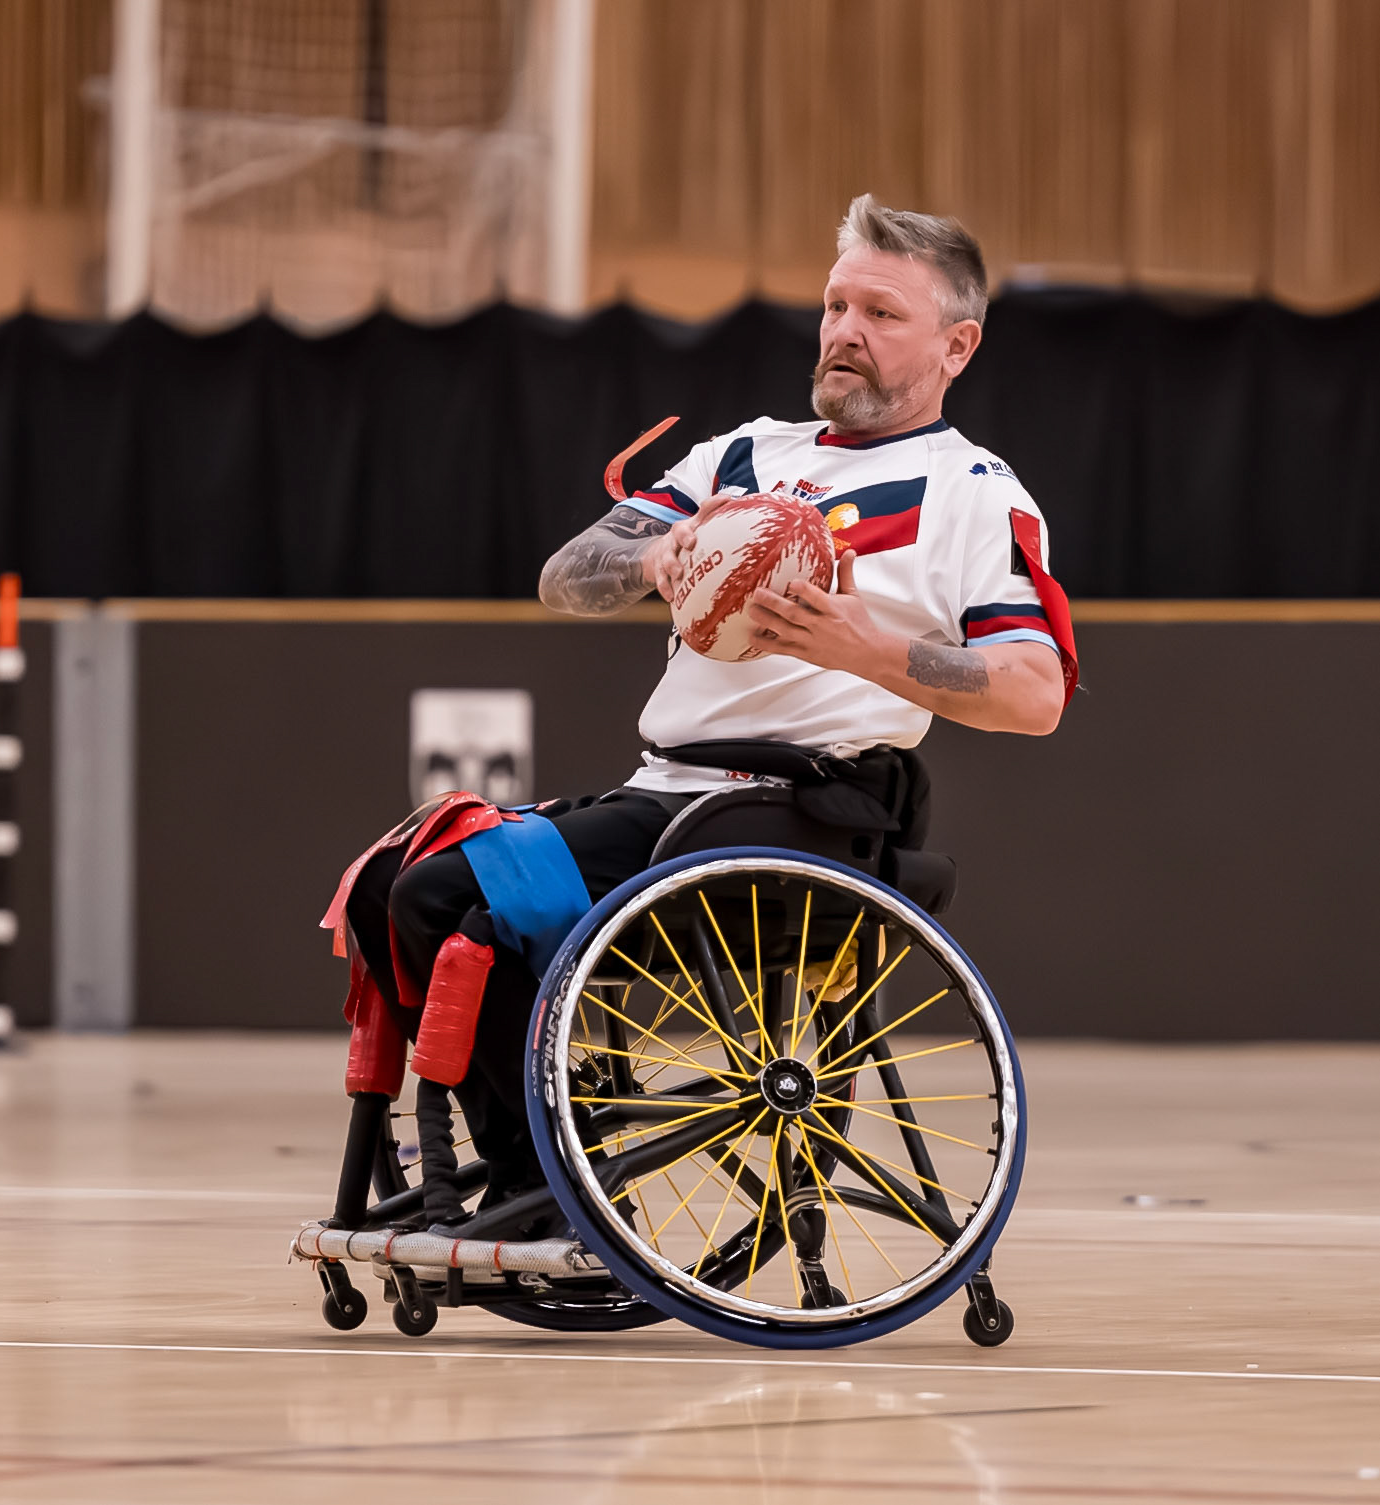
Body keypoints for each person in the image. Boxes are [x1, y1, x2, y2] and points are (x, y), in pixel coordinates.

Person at [341, 195, 1072, 1194]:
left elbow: (1033, 694)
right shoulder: (741, 455)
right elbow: (568, 573)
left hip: (798, 811)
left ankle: (543, 1192)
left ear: (957, 345)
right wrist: (659, 555)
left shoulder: (975, 492)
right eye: (835, 305)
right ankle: (539, 1167)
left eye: (881, 314)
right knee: (396, 885)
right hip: (665, 794)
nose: (844, 331)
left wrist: (867, 648)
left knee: (448, 896)